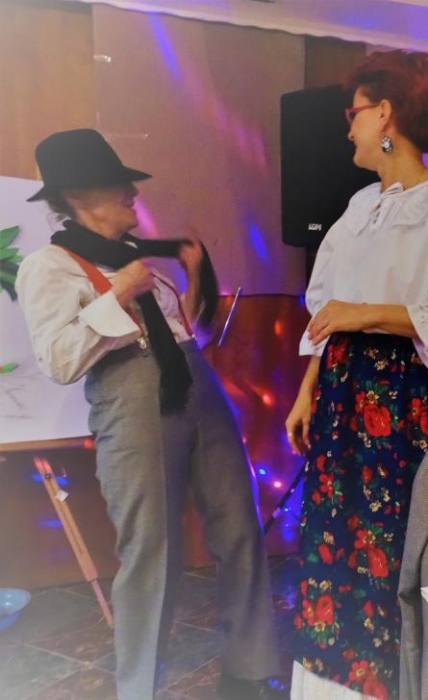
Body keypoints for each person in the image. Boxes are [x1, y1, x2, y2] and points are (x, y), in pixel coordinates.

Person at [15, 128, 284, 700]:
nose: (133, 194)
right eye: (119, 185)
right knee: (150, 553)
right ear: (79, 195)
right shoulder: (49, 266)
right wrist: (117, 294)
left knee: (240, 528)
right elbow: (59, 359)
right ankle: (138, 689)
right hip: (132, 402)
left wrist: (196, 277)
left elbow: (186, 332)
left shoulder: (141, 261)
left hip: (197, 387)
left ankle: (249, 671)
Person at [283, 50, 428, 700]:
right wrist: (307, 391)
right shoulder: (358, 206)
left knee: (393, 541)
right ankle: (335, 679)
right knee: (333, 535)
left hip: (402, 396)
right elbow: (327, 313)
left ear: (385, 113)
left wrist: (366, 313)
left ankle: (398, 682)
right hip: (341, 392)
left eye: (353, 113)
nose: (348, 127)